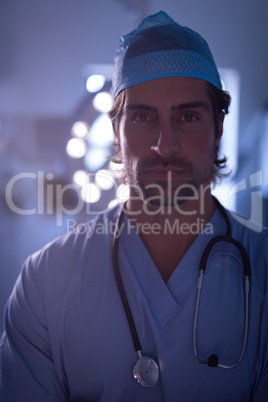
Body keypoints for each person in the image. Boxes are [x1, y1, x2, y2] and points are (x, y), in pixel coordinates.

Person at [0, 10, 268, 402]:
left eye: (188, 116)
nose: (165, 144)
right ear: (116, 133)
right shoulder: (44, 283)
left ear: (218, 131)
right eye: (143, 117)